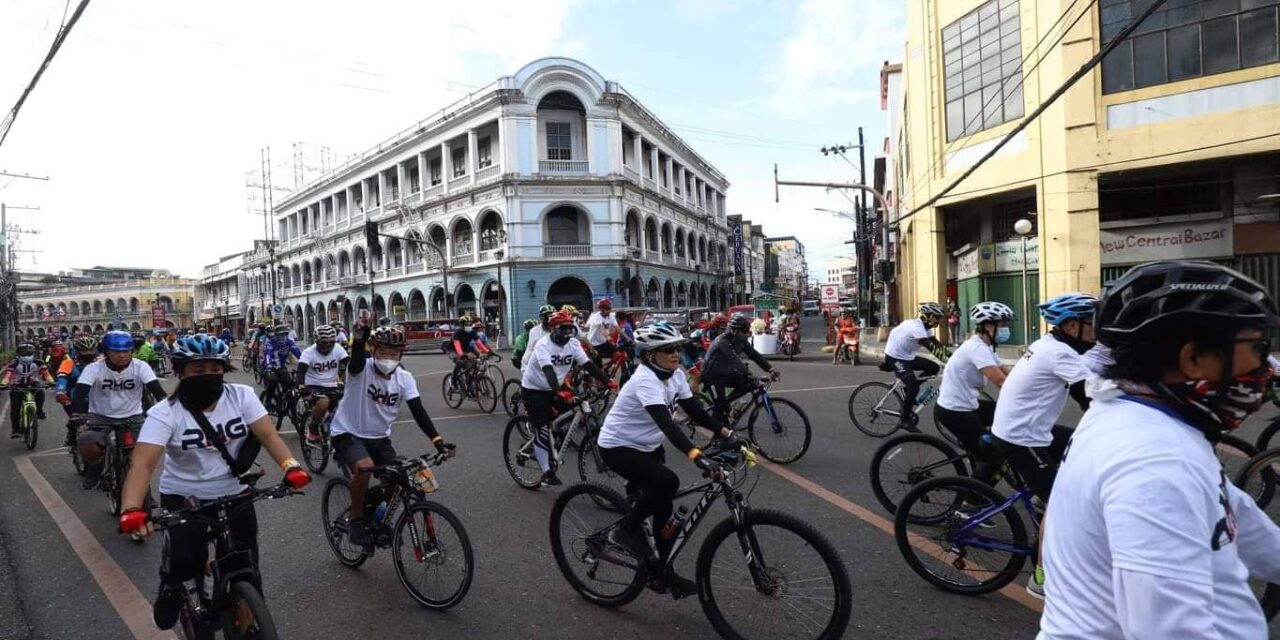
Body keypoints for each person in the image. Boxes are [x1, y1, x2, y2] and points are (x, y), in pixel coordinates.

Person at [1037, 260, 1280, 639]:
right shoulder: (1156, 462)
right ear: (1192, 359)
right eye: (1257, 346)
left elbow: (1232, 512)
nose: (1268, 366)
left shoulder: (1132, 411)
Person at [116, 334, 310, 631]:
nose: (208, 376)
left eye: (214, 369)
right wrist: (131, 508)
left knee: (247, 566)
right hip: (184, 496)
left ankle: (244, 613)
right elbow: (142, 464)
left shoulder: (242, 396)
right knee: (185, 562)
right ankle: (170, 585)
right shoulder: (164, 413)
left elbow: (268, 436)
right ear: (180, 371)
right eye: (197, 370)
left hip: (235, 491)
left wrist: (291, 466)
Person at [596, 321, 739, 596]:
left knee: (664, 512)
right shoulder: (644, 380)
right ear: (650, 354)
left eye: (677, 347)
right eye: (668, 349)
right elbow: (668, 425)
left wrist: (726, 432)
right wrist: (697, 456)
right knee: (667, 482)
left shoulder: (674, 374)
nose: (676, 353)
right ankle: (625, 530)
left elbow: (693, 409)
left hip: (648, 447)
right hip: (618, 446)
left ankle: (664, 574)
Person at [330, 320, 455, 546]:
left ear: (401, 355)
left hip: (379, 438)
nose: (388, 358)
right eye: (383, 352)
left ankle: (376, 516)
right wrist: (359, 339)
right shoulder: (360, 370)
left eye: (394, 353)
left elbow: (419, 411)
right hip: (347, 433)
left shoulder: (404, 378)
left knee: (398, 480)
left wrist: (439, 442)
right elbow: (357, 358)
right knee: (364, 467)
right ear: (373, 350)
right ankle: (356, 521)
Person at [521, 310, 617, 486]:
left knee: (574, 411)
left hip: (557, 386)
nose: (567, 333)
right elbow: (548, 370)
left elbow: (587, 364)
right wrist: (558, 391)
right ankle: (546, 471)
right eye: (563, 329)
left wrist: (607, 380)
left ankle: (554, 435)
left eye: (570, 329)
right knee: (542, 427)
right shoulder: (543, 344)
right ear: (553, 329)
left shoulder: (573, 343)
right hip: (535, 389)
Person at [71, 330, 168, 490]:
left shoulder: (141, 367)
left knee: (143, 457)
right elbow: (80, 392)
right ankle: (96, 467)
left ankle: (145, 494)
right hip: (100, 418)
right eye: (116, 351)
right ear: (106, 352)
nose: (122, 355)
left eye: (126, 351)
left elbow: (157, 391)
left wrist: (168, 412)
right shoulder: (94, 368)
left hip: (134, 417)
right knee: (86, 441)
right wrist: (77, 413)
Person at [934, 302, 1012, 480]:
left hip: (968, 405)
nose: (1006, 329)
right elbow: (1000, 380)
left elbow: (1004, 369)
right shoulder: (977, 349)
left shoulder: (984, 346)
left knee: (1008, 417)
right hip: (954, 411)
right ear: (988, 326)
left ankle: (978, 470)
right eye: (1003, 325)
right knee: (993, 456)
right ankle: (971, 503)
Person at [700, 314, 779, 423]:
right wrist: (750, 375)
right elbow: (735, 360)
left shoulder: (740, 339)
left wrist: (770, 369)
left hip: (724, 373)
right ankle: (717, 431)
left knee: (747, 383)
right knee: (720, 406)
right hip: (711, 375)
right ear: (734, 331)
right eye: (743, 331)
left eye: (746, 331)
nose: (746, 334)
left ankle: (727, 406)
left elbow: (753, 354)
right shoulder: (722, 341)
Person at [883, 302, 948, 432]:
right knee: (914, 387)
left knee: (933, 368)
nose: (939, 320)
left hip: (908, 357)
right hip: (894, 357)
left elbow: (937, 345)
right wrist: (949, 361)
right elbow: (930, 347)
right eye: (936, 317)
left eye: (939, 317)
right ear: (927, 316)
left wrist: (955, 357)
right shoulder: (916, 326)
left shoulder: (926, 328)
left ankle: (909, 390)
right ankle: (905, 420)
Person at [294, 324, 349, 443]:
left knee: (346, 404)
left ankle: (332, 427)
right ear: (317, 341)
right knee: (324, 402)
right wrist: (301, 386)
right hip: (313, 385)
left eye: (331, 342)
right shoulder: (309, 353)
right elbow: (301, 371)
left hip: (332, 385)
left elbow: (349, 364)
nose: (328, 346)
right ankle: (313, 429)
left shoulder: (338, 349)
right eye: (324, 342)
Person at [1, 343, 55, 436]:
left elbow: (46, 374)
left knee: (41, 392)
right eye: (23, 355)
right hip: (17, 385)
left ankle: (39, 411)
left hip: (33, 383)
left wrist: (51, 382)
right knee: (15, 408)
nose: (26, 357)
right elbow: (8, 375)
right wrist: (3, 384)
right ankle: (16, 430)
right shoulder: (14, 363)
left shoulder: (39, 362)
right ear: (18, 355)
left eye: (29, 354)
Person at [261, 325, 301, 399]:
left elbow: (298, 353)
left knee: (289, 385)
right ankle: (268, 401)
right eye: (280, 335)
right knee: (273, 381)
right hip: (269, 367)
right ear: (276, 336)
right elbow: (268, 356)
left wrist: (306, 363)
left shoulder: (289, 342)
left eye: (285, 334)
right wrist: (268, 366)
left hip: (281, 367)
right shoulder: (270, 343)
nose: (283, 337)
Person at [449, 319, 491, 389]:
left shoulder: (472, 332)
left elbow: (479, 343)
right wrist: (464, 355)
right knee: (460, 362)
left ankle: (469, 384)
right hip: (452, 350)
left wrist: (486, 352)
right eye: (466, 324)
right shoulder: (457, 333)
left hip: (464, 350)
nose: (469, 326)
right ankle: (453, 381)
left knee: (472, 364)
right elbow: (457, 347)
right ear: (462, 325)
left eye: (470, 324)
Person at [520, 304, 557, 371]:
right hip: (531, 364)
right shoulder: (535, 332)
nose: (550, 319)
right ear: (541, 317)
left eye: (553, 317)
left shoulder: (557, 330)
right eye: (547, 317)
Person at [585, 298, 620, 367]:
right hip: (594, 344)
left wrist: (628, 338)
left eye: (610, 308)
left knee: (617, 354)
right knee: (598, 367)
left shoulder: (611, 317)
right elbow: (601, 328)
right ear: (601, 309)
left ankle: (607, 368)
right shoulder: (596, 317)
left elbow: (618, 328)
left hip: (603, 342)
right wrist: (607, 337)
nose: (609, 310)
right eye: (607, 308)